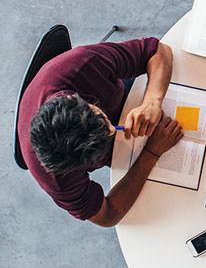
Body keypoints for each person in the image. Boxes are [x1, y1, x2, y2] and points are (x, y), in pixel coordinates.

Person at [17, 37, 183, 226]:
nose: (114, 130)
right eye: (105, 135)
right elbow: (108, 214)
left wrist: (151, 103)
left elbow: (158, 51)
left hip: (131, 95)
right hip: (137, 152)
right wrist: (151, 153)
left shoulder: (80, 65)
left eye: (102, 118)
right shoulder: (56, 178)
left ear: (75, 99)